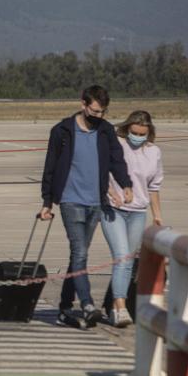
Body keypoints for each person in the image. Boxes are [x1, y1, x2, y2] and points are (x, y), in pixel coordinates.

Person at [39, 85, 133, 329]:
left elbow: (116, 160)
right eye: (95, 110)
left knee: (77, 256)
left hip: (96, 203)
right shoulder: (61, 131)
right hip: (70, 201)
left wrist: (125, 184)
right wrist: (47, 202)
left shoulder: (105, 131)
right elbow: (50, 167)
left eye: (102, 112)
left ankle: (64, 306)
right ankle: (88, 303)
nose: (99, 116)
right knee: (80, 252)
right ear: (83, 104)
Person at [103, 110, 163, 328]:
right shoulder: (116, 144)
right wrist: (110, 190)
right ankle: (120, 307)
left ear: (149, 133)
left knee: (127, 260)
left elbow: (154, 187)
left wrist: (157, 215)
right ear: (127, 129)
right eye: (134, 132)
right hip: (113, 208)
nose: (137, 137)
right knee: (121, 256)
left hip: (138, 211)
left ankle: (114, 306)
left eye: (142, 134)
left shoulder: (154, 152)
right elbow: (103, 171)